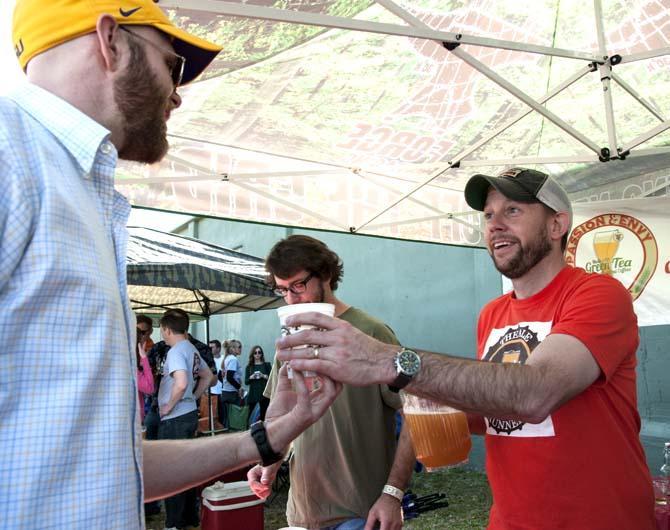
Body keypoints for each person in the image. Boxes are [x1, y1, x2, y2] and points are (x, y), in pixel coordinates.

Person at [0, 1, 341, 528]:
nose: (177, 94)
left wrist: (266, 437)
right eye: (172, 63)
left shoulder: (78, 189)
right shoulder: (10, 154)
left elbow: (110, 466)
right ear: (110, 40)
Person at [275, 169, 656, 530]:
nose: (494, 224)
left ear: (557, 224)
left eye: (513, 210)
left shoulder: (598, 294)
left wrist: (389, 360)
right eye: (489, 214)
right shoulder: (493, 313)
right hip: (509, 519)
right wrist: (416, 426)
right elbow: (488, 406)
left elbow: (536, 392)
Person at [248, 235, 416, 530]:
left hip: (360, 512)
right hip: (302, 512)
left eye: (298, 285)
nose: (291, 299)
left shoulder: (371, 332)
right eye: (283, 290)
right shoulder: (290, 342)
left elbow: (416, 414)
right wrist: (271, 462)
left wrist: (393, 493)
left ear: (325, 274)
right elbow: (284, 419)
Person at [156, 308, 213, 529]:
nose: (161, 334)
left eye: (161, 330)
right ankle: (188, 518)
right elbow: (208, 376)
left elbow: (180, 383)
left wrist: (168, 407)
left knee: (172, 472)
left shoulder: (175, 352)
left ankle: (174, 523)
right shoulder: (192, 349)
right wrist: (192, 398)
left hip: (176, 418)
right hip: (188, 414)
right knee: (187, 470)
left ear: (166, 329)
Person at [219, 339, 244, 429]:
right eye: (239, 347)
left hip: (225, 392)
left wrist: (225, 384)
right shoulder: (233, 359)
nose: (241, 349)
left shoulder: (226, 358)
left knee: (227, 419)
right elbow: (229, 377)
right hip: (232, 393)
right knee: (235, 418)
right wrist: (239, 387)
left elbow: (220, 375)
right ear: (233, 349)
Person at [244, 345, 272, 424]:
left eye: (259, 352)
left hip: (264, 394)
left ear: (262, 354)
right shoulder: (249, 367)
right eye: (255, 353)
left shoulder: (266, 365)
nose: (257, 354)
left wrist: (263, 375)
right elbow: (246, 382)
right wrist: (251, 377)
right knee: (249, 415)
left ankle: (263, 431)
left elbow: (271, 379)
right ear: (252, 354)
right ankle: (248, 430)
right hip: (253, 394)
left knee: (264, 415)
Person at [136, 314, 155, 423]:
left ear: (150, 331)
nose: (138, 335)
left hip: (148, 401)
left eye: (142, 332)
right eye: (136, 331)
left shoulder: (153, 348)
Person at [208, 339, 225, 428]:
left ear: (218, 348)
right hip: (212, 390)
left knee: (222, 413)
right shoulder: (208, 360)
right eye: (209, 347)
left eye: (212, 347)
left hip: (223, 390)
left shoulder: (224, 359)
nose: (210, 349)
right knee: (213, 412)